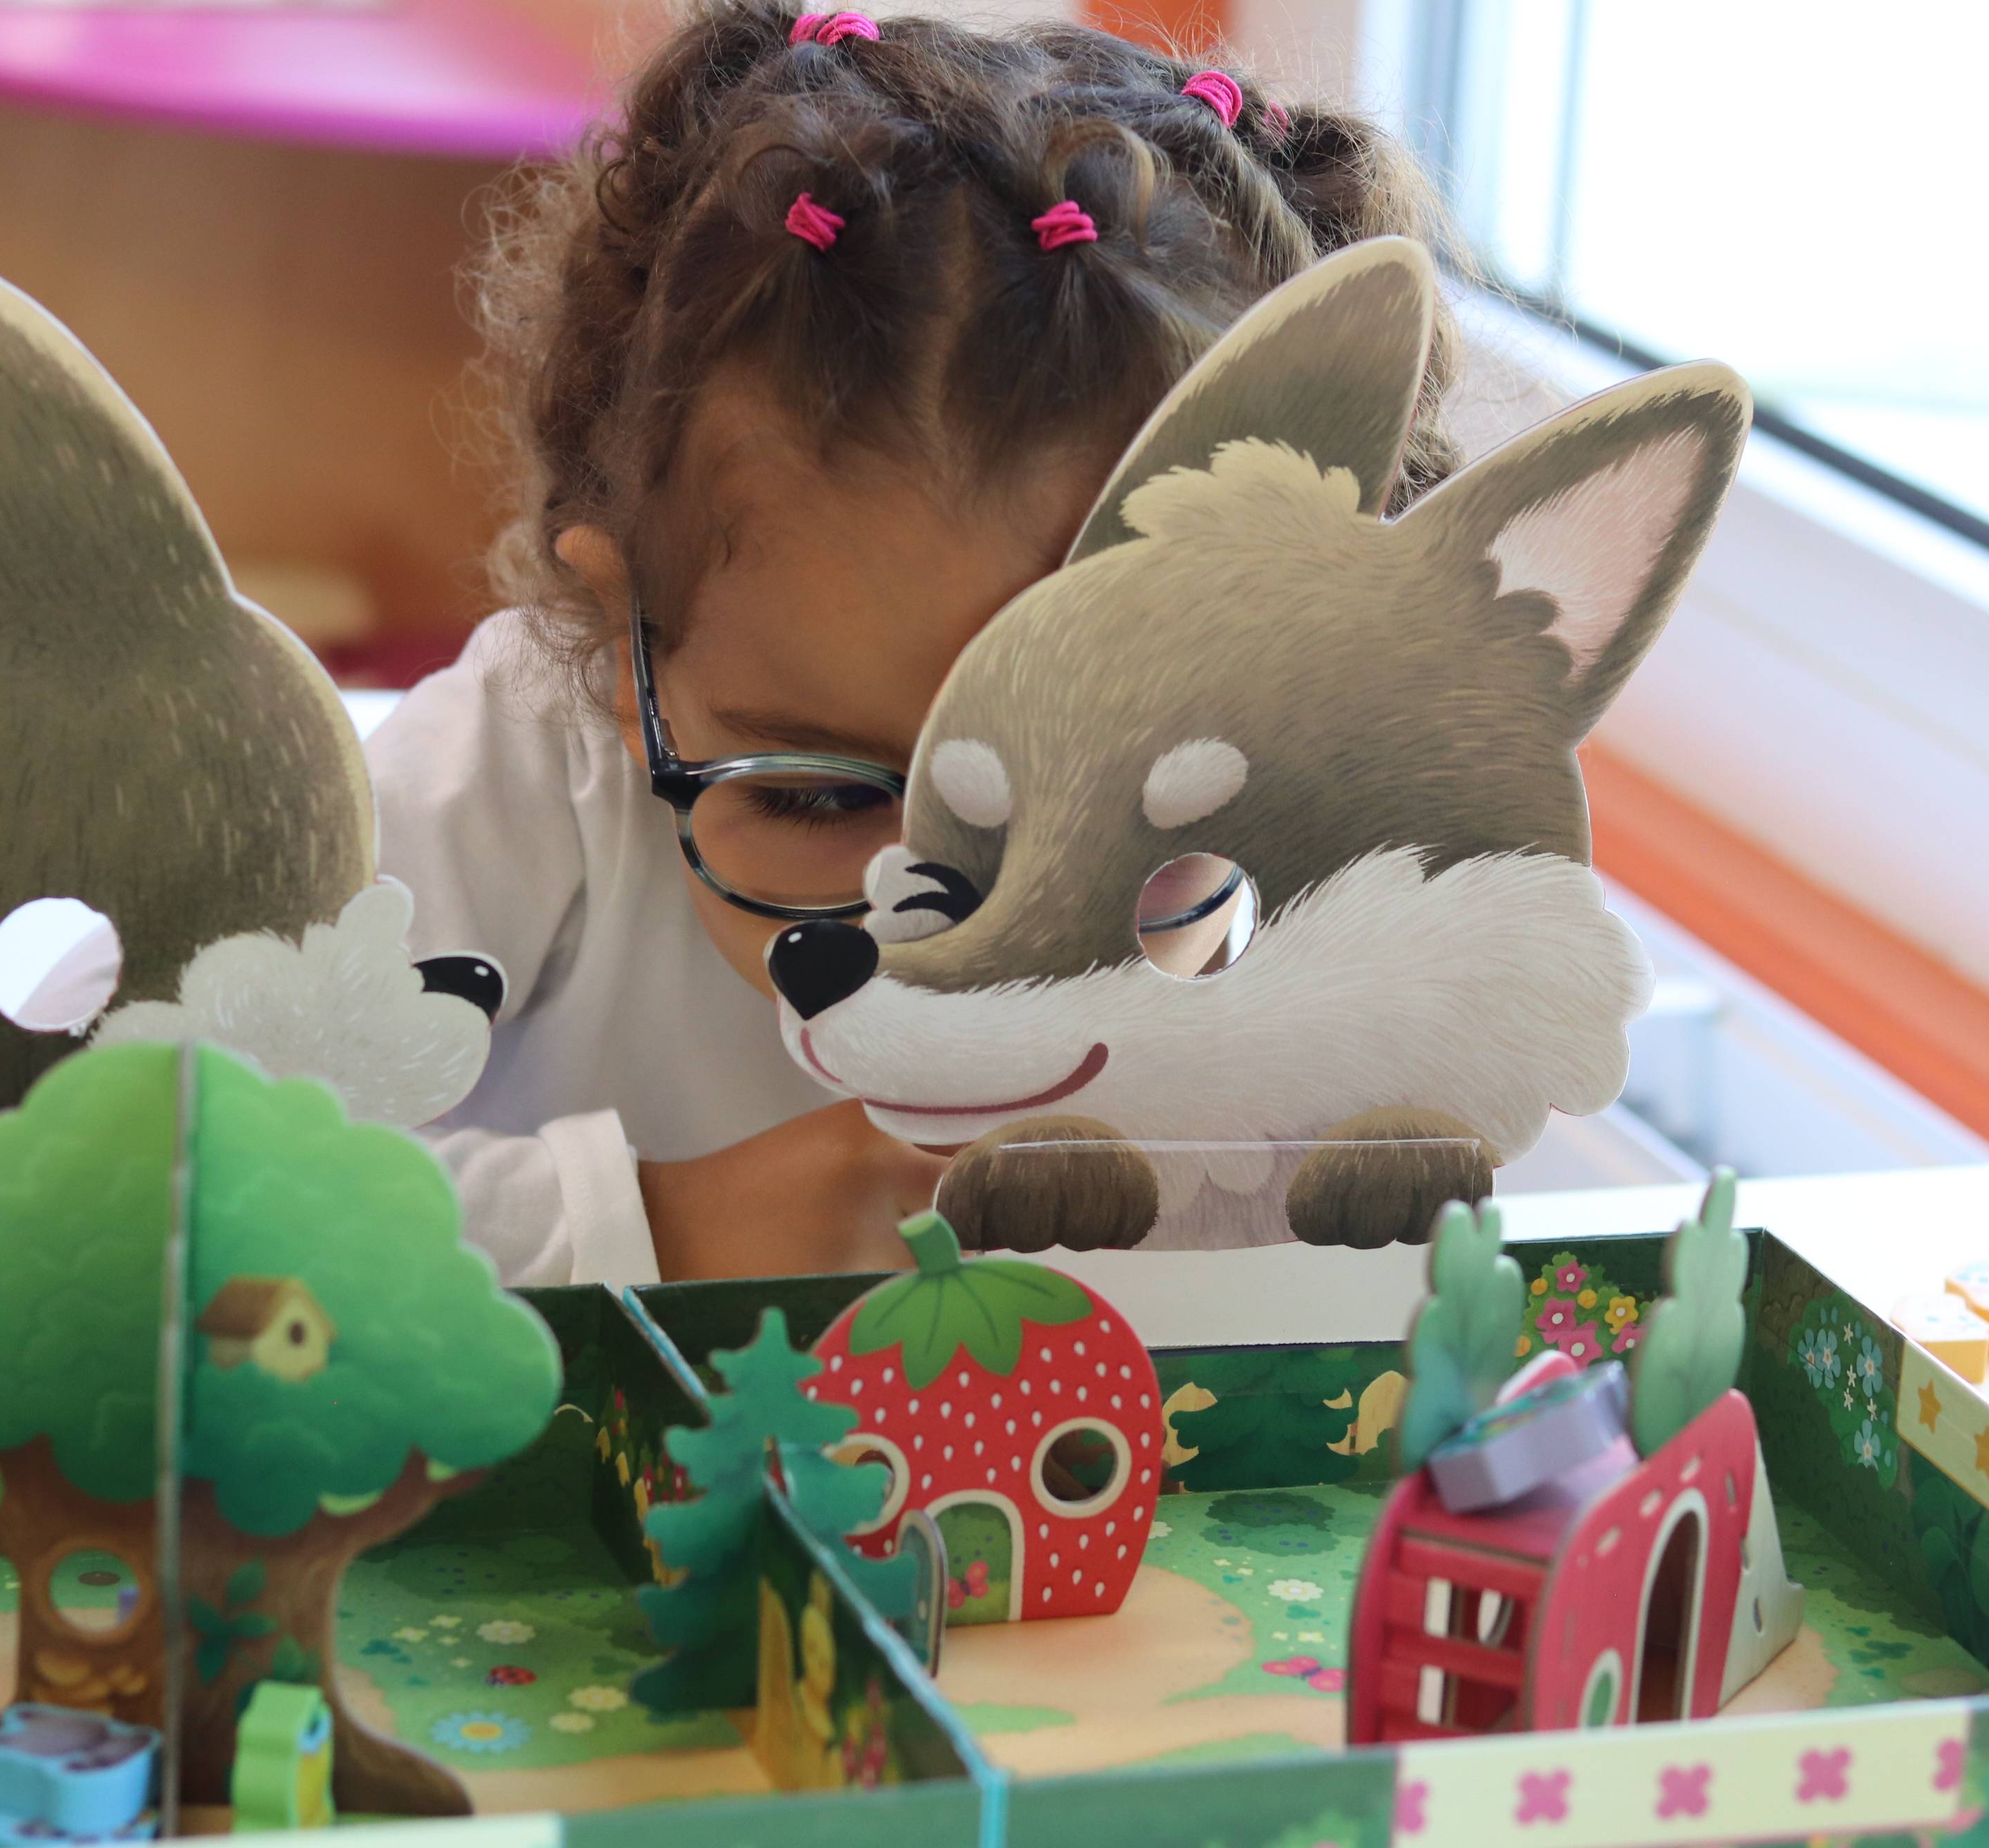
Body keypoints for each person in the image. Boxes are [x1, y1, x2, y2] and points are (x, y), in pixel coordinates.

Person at [367, 0, 1466, 1286]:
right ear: (632, 654)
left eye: (1107, 805)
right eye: (823, 796)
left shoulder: (1336, 876)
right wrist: (665, 1228)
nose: (940, 930)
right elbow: (191, 1166)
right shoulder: (528, 759)